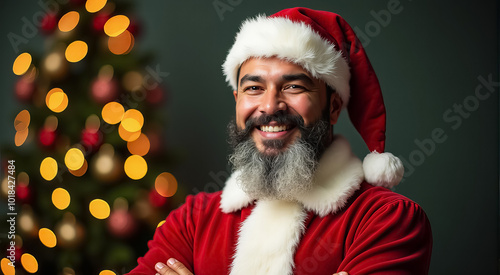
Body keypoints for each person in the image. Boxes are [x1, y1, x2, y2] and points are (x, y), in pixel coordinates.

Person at [126, 7, 432, 275]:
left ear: (334, 106)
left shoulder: (386, 220)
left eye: (294, 86)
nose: (270, 107)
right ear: (237, 100)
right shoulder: (192, 221)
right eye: (254, 88)